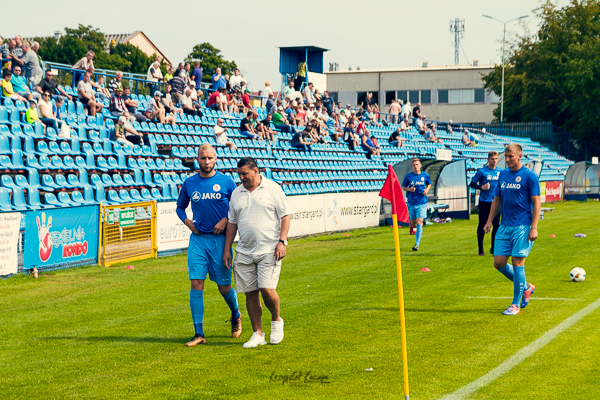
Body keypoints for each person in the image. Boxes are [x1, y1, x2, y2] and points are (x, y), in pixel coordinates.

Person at [176, 144, 242, 346]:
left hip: (220, 242)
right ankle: (199, 333)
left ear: (216, 159)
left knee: (224, 288)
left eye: (210, 158)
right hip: (197, 241)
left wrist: (225, 219)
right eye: (203, 158)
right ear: (197, 160)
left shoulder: (226, 182)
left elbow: (237, 208)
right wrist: (187, 222)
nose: (206, 162)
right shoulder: (189, 183)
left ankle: (236, 314)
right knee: (196, 284)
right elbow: (180, 208)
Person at [223, 157, 291, 348]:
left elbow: (285, 215)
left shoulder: (272, 188)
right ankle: (257, 334)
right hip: (244, 250)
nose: (242, 177)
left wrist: (282, 242)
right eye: (239, 174)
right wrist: (227, 249)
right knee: (250, 293)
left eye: (245, 173)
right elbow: (232, 222)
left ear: (256, 171)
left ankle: (276, 320)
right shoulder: (237, 193)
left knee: (267, 289)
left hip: (270, 249)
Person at [484, 144, 540, 316]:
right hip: (504, 226)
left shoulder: (529, 176)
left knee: (517, 263)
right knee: (498, 263)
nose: (507, 159)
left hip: (522, 226)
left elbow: (537, 202)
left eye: (510, 156)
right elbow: (497, 199)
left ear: (519, 156)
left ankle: (515, 304)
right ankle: (526, 287)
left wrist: (534, 227)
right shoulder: (503, 174)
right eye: (506, 156)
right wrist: (489, 222)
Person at [470, 151, 501, 256]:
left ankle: (493, 248)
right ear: (488, 160)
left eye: (496, 158)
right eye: (492, 158)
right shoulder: (482, 171)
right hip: (485, 202)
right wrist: (481, 187)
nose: (494, 160)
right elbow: (472, 183)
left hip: (496, 202)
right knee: (482, 225)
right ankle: (480, 249)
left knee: (497, 225)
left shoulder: (500, 172)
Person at [402, 158, 432, 251]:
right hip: (411, 202)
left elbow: (429, 184)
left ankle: (416, 245)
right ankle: (418, 229)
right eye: (414, 165)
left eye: (417, 164)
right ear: (412, 166)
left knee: (419, 223)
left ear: (420, 165)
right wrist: (410, 189)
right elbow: (404, 187)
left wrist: (426, 190)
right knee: (413, 224)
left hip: (422, 203)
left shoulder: (425, 175)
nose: (415, 166)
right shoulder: (408, 176)